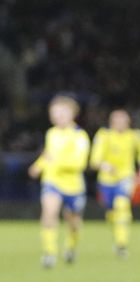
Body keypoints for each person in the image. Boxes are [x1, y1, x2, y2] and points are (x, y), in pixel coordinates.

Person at [28, 95, 91, 268]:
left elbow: (80, 163)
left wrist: (57, 162)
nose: (57, 116)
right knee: (49, 213)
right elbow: (48, 155)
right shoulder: (52, 133)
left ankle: (71, 248)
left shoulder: (80, 136)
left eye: (62, 112)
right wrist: (38, 166)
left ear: (73, 114)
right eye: (54, 112)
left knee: (74, 222)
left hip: (73, 185)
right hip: (52, 181)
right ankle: (49, 253)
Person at [89, 109, 140, 258]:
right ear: (111, 122)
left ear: (128, 122)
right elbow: (94, 160)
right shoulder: (104, 136)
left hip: (125, 177)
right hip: (106, 180)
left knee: (122, 205)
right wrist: (104, 165)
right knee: (112, 212)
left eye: (123, 120)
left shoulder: (135, 136)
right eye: (117, 120)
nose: (120, 123)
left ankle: (121, 244)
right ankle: (117, 231)